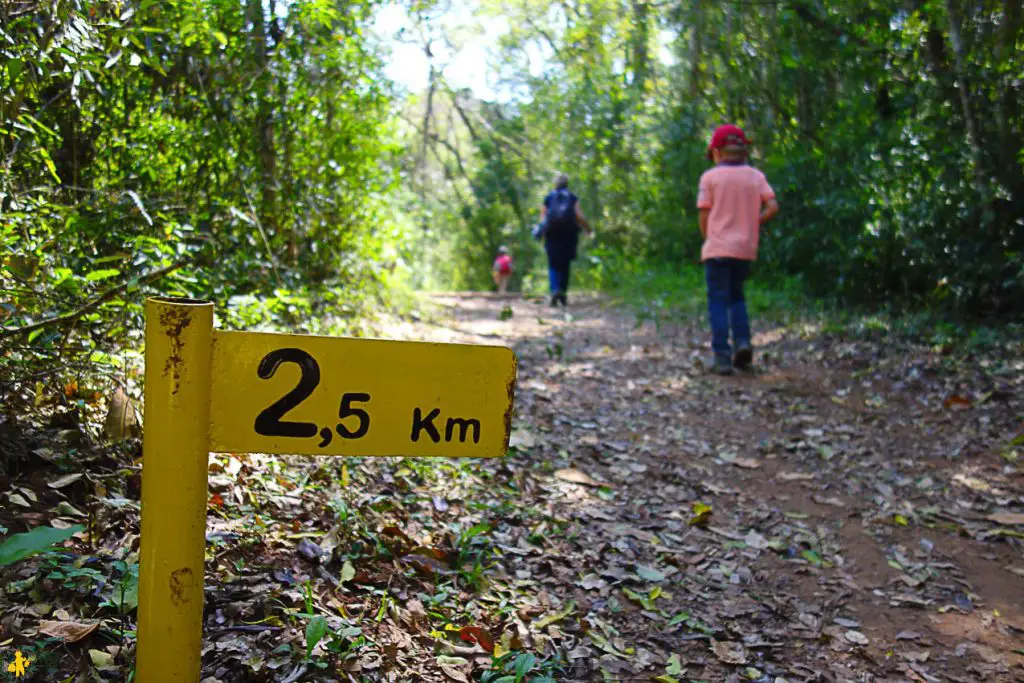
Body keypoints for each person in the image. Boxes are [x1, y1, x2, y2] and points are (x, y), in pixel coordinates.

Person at [697, 124, 779, 376]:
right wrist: (752, 221)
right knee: (737, 296)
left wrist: (709, 237)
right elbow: (772, 206)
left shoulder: (710, 177)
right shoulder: (756, 176)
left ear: (717, 152)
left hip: (718, 247)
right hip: (745, 248)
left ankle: (722, 355)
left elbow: (704, 213)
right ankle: (743, 344)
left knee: (718, 300)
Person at [540, 173, 591, 307]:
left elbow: (543, 217)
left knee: (553, 263)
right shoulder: (572, 197)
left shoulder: (549, 197)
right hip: (569, 234)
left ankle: (554, 290)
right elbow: (579, 215)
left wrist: (542, 233)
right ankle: (562, 294)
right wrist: (587, 229)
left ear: (555, 183)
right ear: (567, 183)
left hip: (552, 234)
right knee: (565, 264)